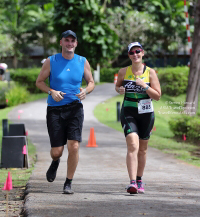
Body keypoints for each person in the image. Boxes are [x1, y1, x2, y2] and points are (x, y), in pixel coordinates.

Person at [36, 30, 95, 194]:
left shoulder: (82, 61)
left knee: (74, 146)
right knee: (57, 151)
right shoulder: (51, 61)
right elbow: (39, 82)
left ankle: (68, 182)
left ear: (76, 43)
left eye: (72, 41)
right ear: (61, 42)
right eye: (67, 40)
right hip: (55, 110)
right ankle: (55, 161)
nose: (70, 44)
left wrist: (86, 91)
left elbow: (91, 82)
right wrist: (51, 91)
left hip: (75, 108)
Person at [115, 42, 161, 194]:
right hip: (129, 111)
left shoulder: (150, 73)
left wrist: (145, 86)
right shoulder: (123, 71)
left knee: (142, 149)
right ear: (129, 55)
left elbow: (158, 96)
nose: (135, 54)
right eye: (132, 52)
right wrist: (119, 89)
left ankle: (140, 179)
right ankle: (132, 182)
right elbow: (118, 86)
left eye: (138, 51)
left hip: (146, 114)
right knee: (133, 145)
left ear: (142, 53)